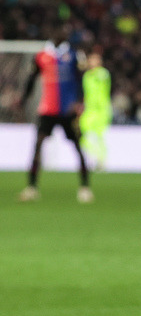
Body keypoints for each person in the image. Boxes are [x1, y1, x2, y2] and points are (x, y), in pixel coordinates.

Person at [17, 37, 92, 203]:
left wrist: (80, 102)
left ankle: (85, 187)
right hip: (48, 109)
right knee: (37, 145)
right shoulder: (42, 55)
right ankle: (31, 187)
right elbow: (32, 78)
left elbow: (81, 80)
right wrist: (23, 99)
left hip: (68, 110)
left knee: (78, 147)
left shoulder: (73, 55)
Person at [80, 52, 112, 171]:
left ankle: (101, 161)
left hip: (102, 109)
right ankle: (97, 157)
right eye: (91, 59)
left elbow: (101, 79)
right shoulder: (87, 76)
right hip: (89, 109)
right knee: (81, 135)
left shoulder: (102, 73)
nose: (92, 61)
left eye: (95, 59)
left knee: (99, 136)